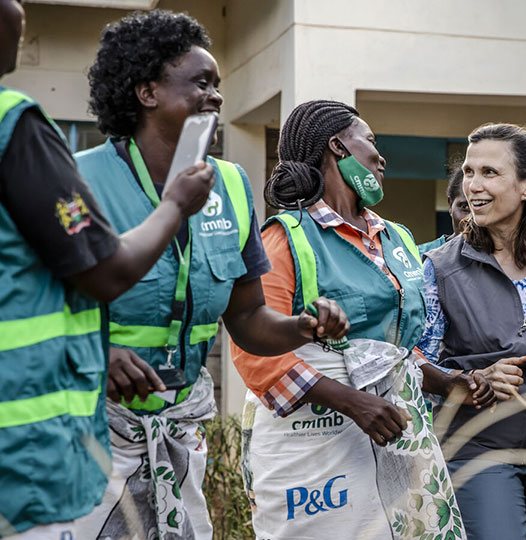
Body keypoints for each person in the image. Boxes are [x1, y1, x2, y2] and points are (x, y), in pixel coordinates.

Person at [70, 12, 348, 539]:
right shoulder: (78, 179)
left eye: (217, 85)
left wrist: (301, 328)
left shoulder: (233, 185)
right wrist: (96, 354)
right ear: (147, 91)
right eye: (201, 83)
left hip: (181, 425)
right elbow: (25, 306)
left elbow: (245, 318)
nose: (216, 97)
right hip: (91, 431)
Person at [0, 1, 217, 537]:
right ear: (147, 93)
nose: (18, 8)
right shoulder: (16, 126)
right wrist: (174, 206)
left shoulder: (230, 184)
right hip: (26, 441)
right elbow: (102, 272)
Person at [231, 99, 490, 539]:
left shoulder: (397, 238)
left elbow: (396, 351)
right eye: (369, 141)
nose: (380, 155)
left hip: (396, 431)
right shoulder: (287, 237)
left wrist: (445, 383)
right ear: (338, 146)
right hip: (313, 445)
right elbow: (254, 355)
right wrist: (352, 403)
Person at [419, 123, 526, 540]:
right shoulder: (439, 267)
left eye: (489, 173)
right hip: (478, 450)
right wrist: (473, 380)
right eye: (468, 171)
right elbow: (418, 360)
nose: (473, 185)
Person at [418, 165, 470, 256]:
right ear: (450, 205)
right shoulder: (421, 256)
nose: (472, 218)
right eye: (465, 207)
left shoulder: (500, 261)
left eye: (482, 206)